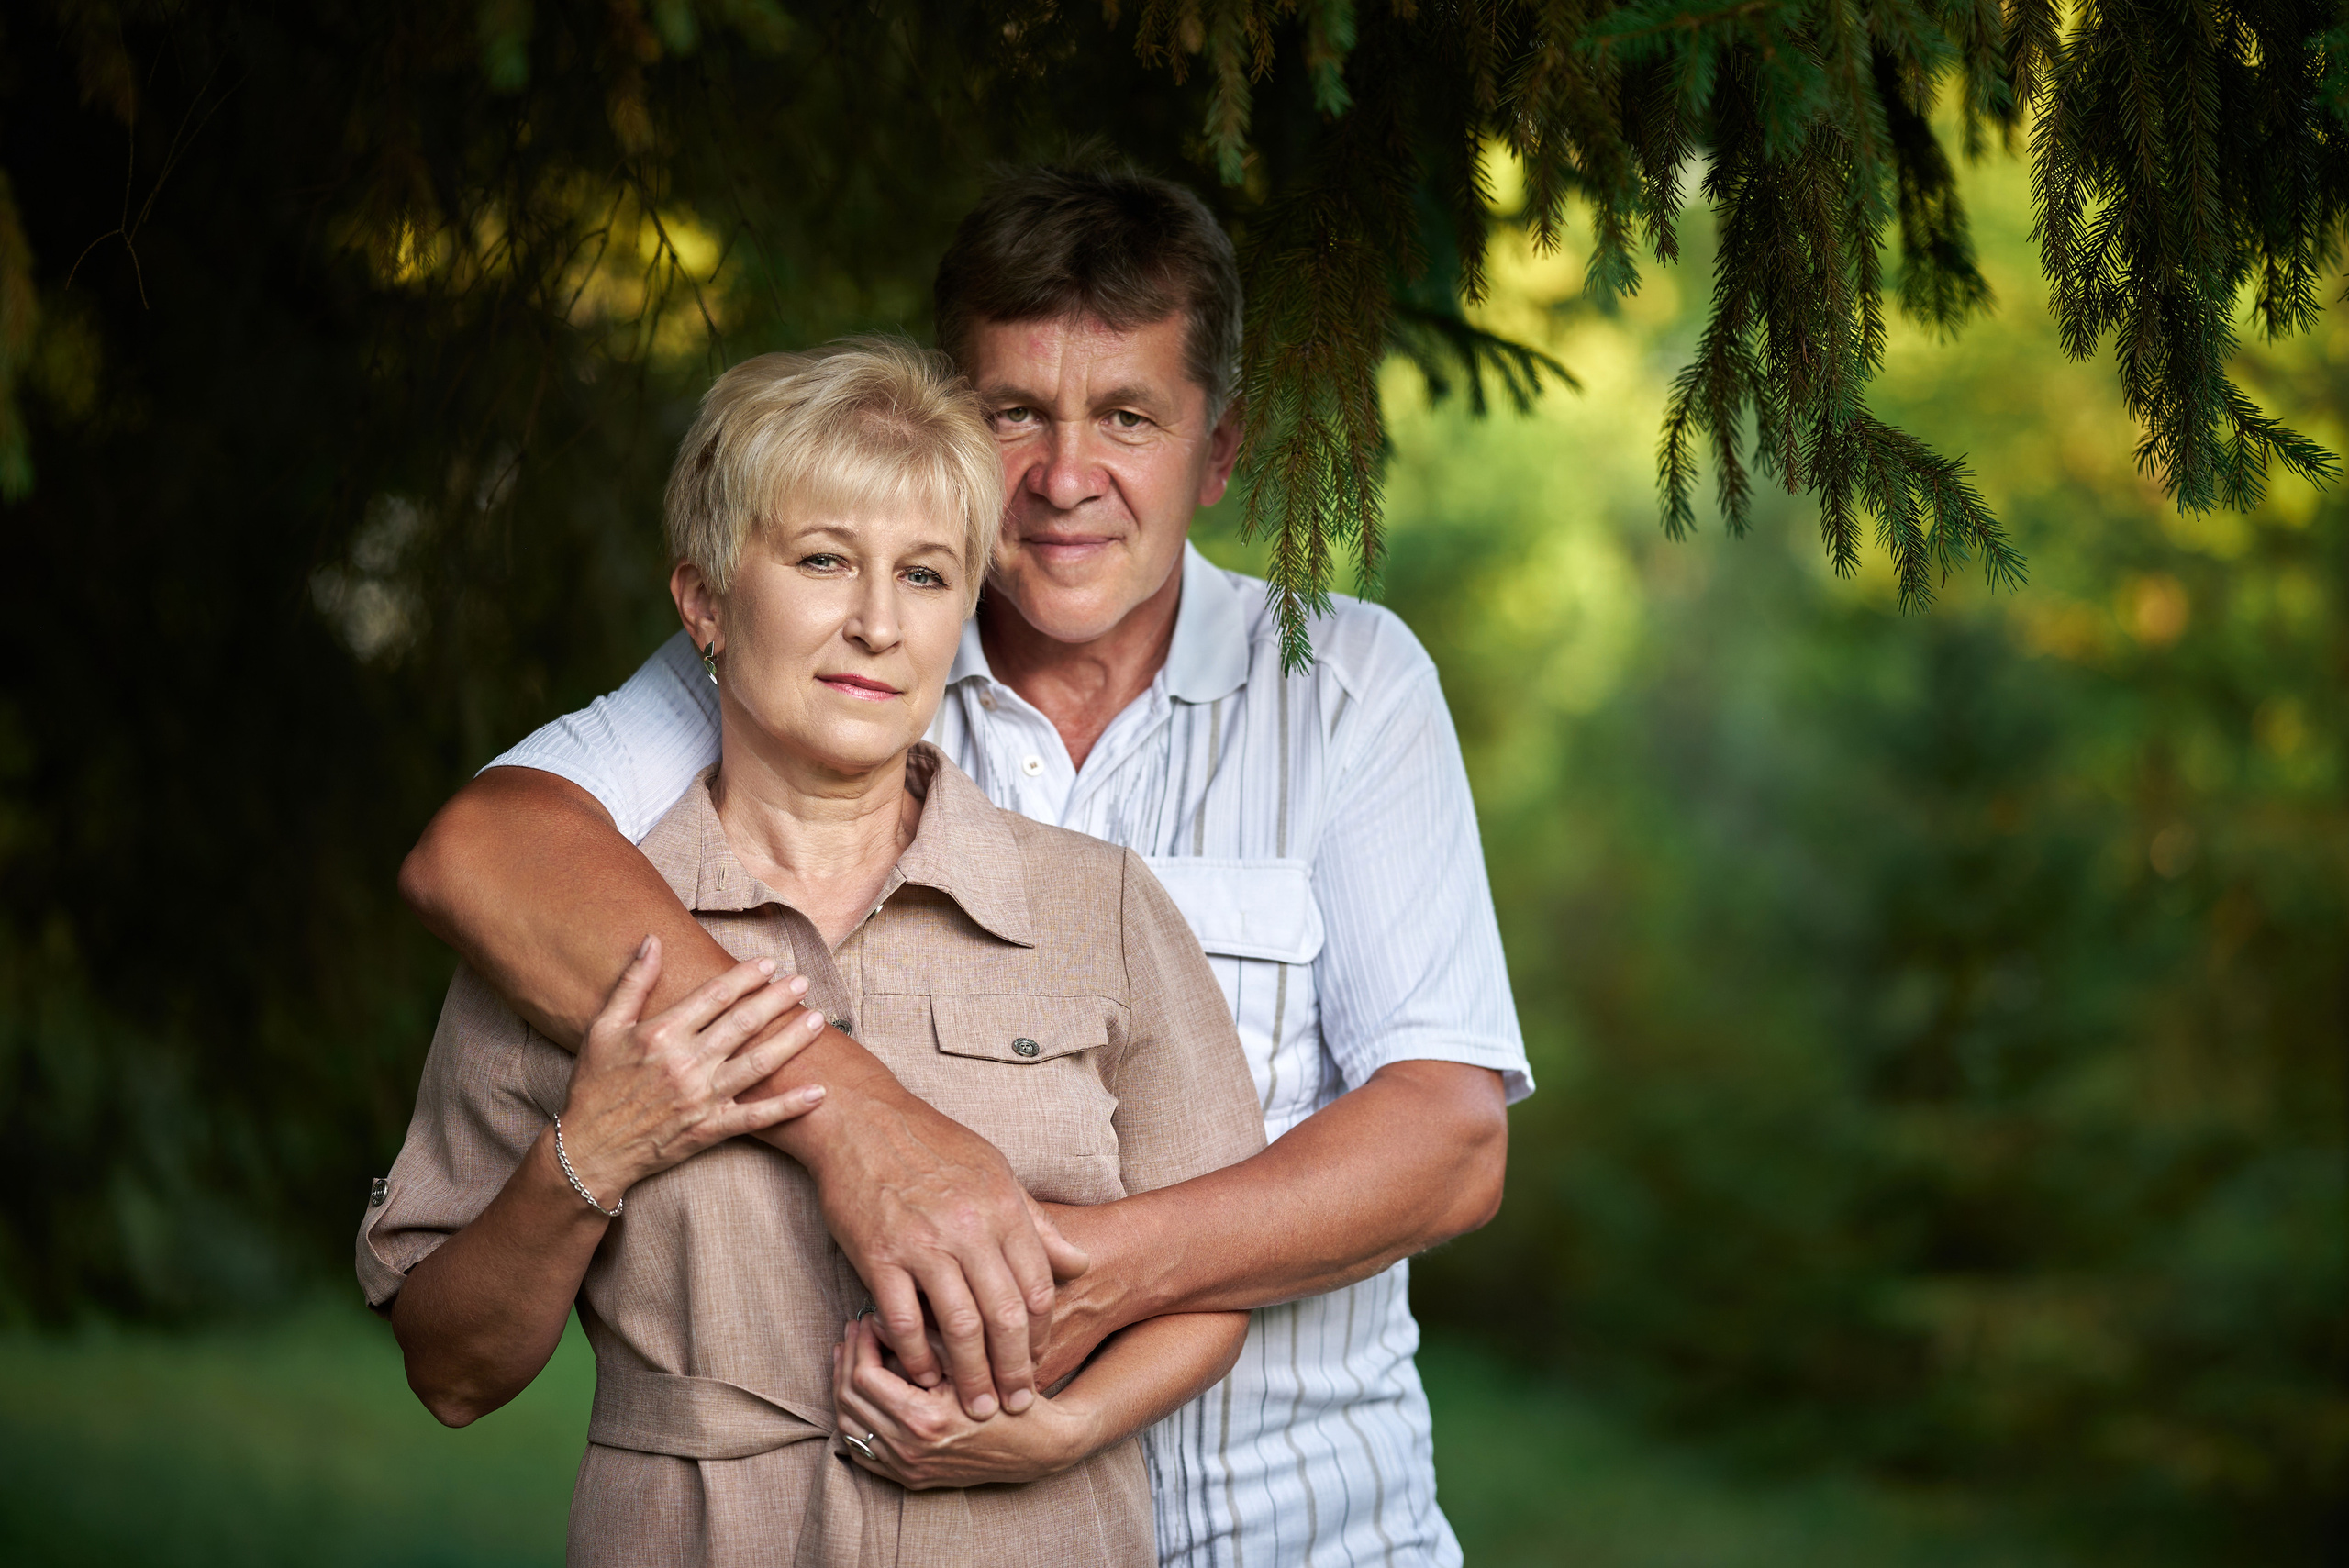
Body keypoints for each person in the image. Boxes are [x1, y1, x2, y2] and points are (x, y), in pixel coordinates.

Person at [398, 164, 1531, 1566]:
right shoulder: (823, 659)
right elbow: (487, 850)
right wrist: (859, 1120)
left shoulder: (1350, 684)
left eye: (1128, 418)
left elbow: (1449, 1137)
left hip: (1300, 1523)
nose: (1064, 478)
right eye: (1013, 414)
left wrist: (1077, 1278)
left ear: (1219, 450)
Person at [360, 340, 1268, 1565]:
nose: (877, 622)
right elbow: (451, 1365)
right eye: (825, 559)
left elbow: (1215, 1271)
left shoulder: (1101, 908)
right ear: (705, 603)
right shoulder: (580, 936)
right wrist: (594, 1152)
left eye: (928, 574)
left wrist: (1062, 1430)